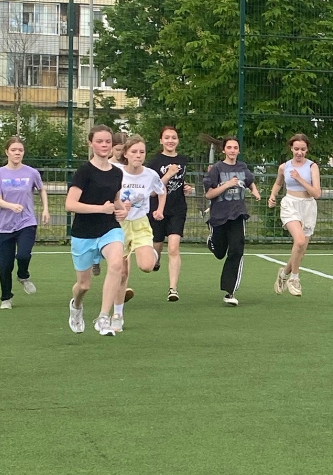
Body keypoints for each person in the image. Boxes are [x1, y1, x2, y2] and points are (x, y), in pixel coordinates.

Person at [65, 125, 129, 336]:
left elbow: (116, 200)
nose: (104, 145)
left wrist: (121, 211)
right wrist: (100, 209)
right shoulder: (84, 172)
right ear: (91, 144)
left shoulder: (117, 173)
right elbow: (70, 204)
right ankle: (76, 306)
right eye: (99, 141)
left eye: (108, 141)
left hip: (109, 229)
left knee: (117, 264)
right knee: (83, 286)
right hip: (84, 233)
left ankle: (103, 317)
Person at [111, 136, 166, 332]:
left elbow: (162, 190)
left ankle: (154, 253)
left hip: (141, 224)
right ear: (125, 153)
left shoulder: (150, 175)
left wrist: (159, 209)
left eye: (142, 152)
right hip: (119, 225)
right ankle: (117, 315)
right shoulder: (116, 172)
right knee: (121, 272)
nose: (138, 155)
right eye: (134, 152)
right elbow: (106, 193)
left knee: (147, 266)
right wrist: (118, 206)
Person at [203, 137, 261, 306]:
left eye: (235, 147)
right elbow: (209, 194)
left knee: (236, 250)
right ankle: (211, 242)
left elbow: (250, 182)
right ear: (224, 150)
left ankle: (230, 292)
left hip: (238, 215)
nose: (232, 150)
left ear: (239, 150)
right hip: (219, 216)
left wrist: (255, 192)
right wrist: (227, 185)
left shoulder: (242, 167)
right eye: (229, 147)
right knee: (220, 252)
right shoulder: (216, 169)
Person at [0, 137, 50, 310]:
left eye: (20, 150)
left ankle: (23, 275)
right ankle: (6, 298)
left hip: (26, 222)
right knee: (5, 266)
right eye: (13, 150)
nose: (17, 153)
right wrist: (10, 206)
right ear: (7, 152)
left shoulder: (31, 172)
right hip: (4, 226)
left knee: (23, 255)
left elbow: (42, 189)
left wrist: (45, 209)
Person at [268, 133, 321, 297]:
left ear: (307, 150)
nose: (299, 152)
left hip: (308, 206)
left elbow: (316, 193)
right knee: (299, 241)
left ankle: (283, 274)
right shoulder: (284, 167)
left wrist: (300, 179)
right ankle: (294, 279)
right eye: (296, 149)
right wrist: (272, 195)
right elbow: (278, 183)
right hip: (290, 204)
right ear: (291, 148)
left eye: (303, 149)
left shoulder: (312, 167)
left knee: (301, 251)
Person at [147, 126, 193, 302]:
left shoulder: (183, 160)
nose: (170, 141)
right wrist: (168, 174)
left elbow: (180, 181)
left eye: (173, 137)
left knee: (173, 248)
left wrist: (185, 187)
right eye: (167, 138)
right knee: (157, 245)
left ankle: (173, 288)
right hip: (157, 209)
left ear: (178, 140)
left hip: (177, 209)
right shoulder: (154, 162)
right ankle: (157, 260)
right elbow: (153, 189)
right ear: (161, 140)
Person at [92, 131, 129, 278]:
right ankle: (95, 258)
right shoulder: (106, 165)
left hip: (124, 209)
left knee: (123, 253)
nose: (120, 153)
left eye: (123, 150)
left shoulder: (130, 165)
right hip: (107, 207)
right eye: (117, 149)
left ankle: (121, 284)